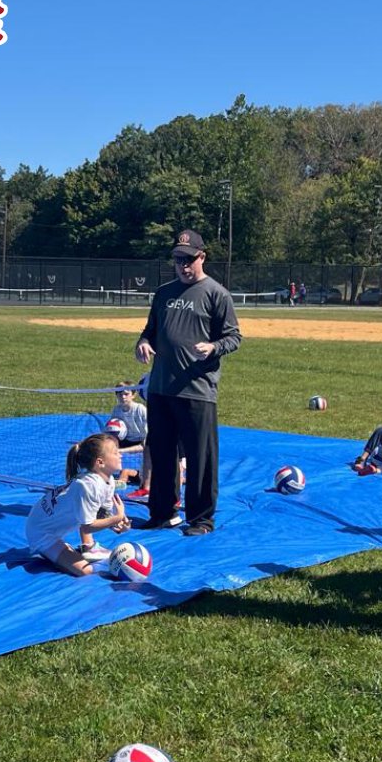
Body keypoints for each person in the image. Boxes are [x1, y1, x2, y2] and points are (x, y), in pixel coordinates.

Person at [135, 229, 242, 536]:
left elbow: (234, 337)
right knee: (162, 453)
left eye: (188, 259)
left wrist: (213, 347)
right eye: (178, 259)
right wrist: (143, 342)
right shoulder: (164, 293)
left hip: (197, 389)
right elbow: (150, 331)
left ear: (202, 257)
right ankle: (162, 512)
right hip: (160, 388)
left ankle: (201, 519)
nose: (183, 266)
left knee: (200, 458)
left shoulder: (217, 294)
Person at [25, 433, 132, 576]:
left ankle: (89, 547)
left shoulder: (109, 480)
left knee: (87, 514)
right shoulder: (86, 486)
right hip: (40, 532)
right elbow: (87, 526)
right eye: (115, 452)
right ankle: (56, 553)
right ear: (100, 462)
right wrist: (116, 518)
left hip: (46, 519)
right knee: (85, 570)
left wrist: (118, 525)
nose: (120, 455)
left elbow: (101, 513)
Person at [110, 381, 152, 503]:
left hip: (142, 441)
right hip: (125, 440)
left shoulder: (140, 410)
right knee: (105, 448)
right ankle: (115, 480)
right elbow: (111, 432)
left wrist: (120, 450)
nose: (122, 397)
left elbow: (145, 444)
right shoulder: (116, 410)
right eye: (119, 394)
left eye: (126, 394)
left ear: (133, 395)